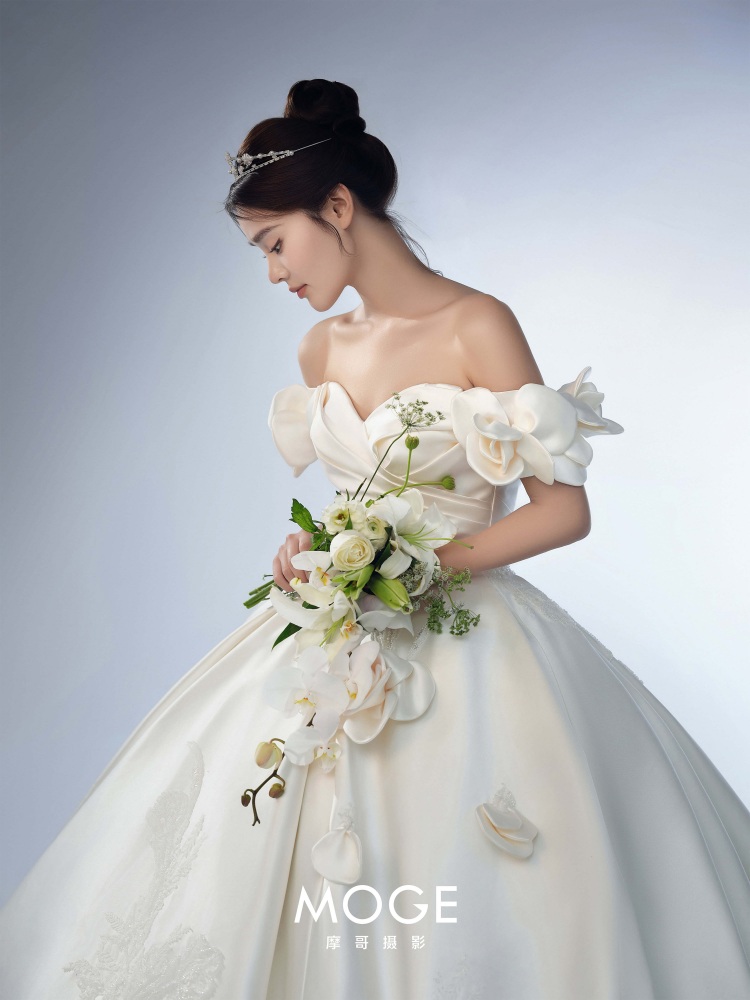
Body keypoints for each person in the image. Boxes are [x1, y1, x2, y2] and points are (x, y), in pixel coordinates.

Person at [1, 77, 749, 1000]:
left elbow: (564, 510)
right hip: (333, 637)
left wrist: (422, 566)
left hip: (471, 641)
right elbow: (349, 500)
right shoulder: (320, 350)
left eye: (275, 243)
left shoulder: (478, 323)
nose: (274, 273)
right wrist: (308, 549)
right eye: (261, 252)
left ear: (337, 206)